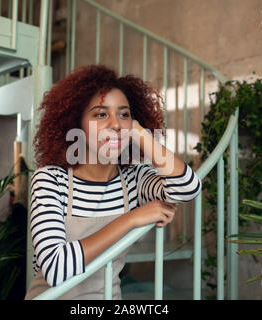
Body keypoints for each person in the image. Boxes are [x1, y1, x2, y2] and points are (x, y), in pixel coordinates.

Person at [25, 64, 201, 300]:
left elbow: (188, 188)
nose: (115, 124)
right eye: (100, 114)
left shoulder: (133, 179)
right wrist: (130, 219)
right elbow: (57, 269)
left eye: (124, 114)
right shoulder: (50, 180)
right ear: (76, 125)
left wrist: (137, 131)